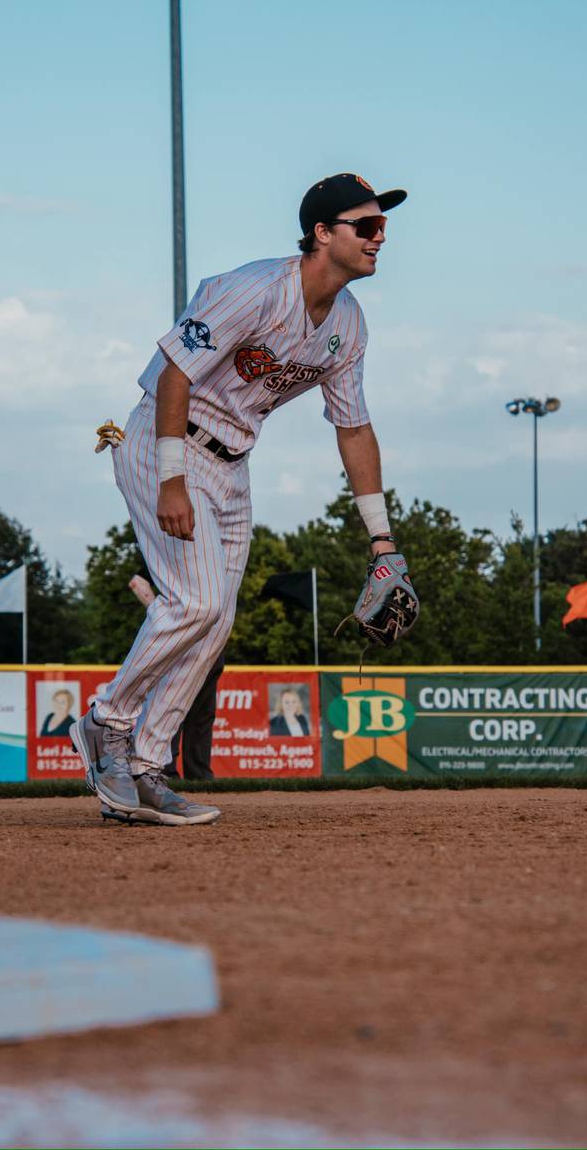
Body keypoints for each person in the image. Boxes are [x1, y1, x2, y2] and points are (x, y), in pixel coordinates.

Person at [71, 171, 410, 826]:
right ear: (321, 232)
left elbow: (354, 427)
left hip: (232, 464)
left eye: (384, 226)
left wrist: (382, 539)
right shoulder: (254, 289)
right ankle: (104, 725)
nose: (379, 238)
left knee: (217, 618)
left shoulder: (349, 324)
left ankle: (144, 766)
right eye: (365, 225)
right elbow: (175, 372)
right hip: (167, 440)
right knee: (193, 600)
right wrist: (172, 477)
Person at [129, 574, 222, 780]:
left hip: (211, 640)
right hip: (180, 635)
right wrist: (160, 616)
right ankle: (165, 770)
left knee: (203, 711)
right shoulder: (172, 551)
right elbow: (136, 580)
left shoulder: (213, 556)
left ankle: (199, 775)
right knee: (171, 703)